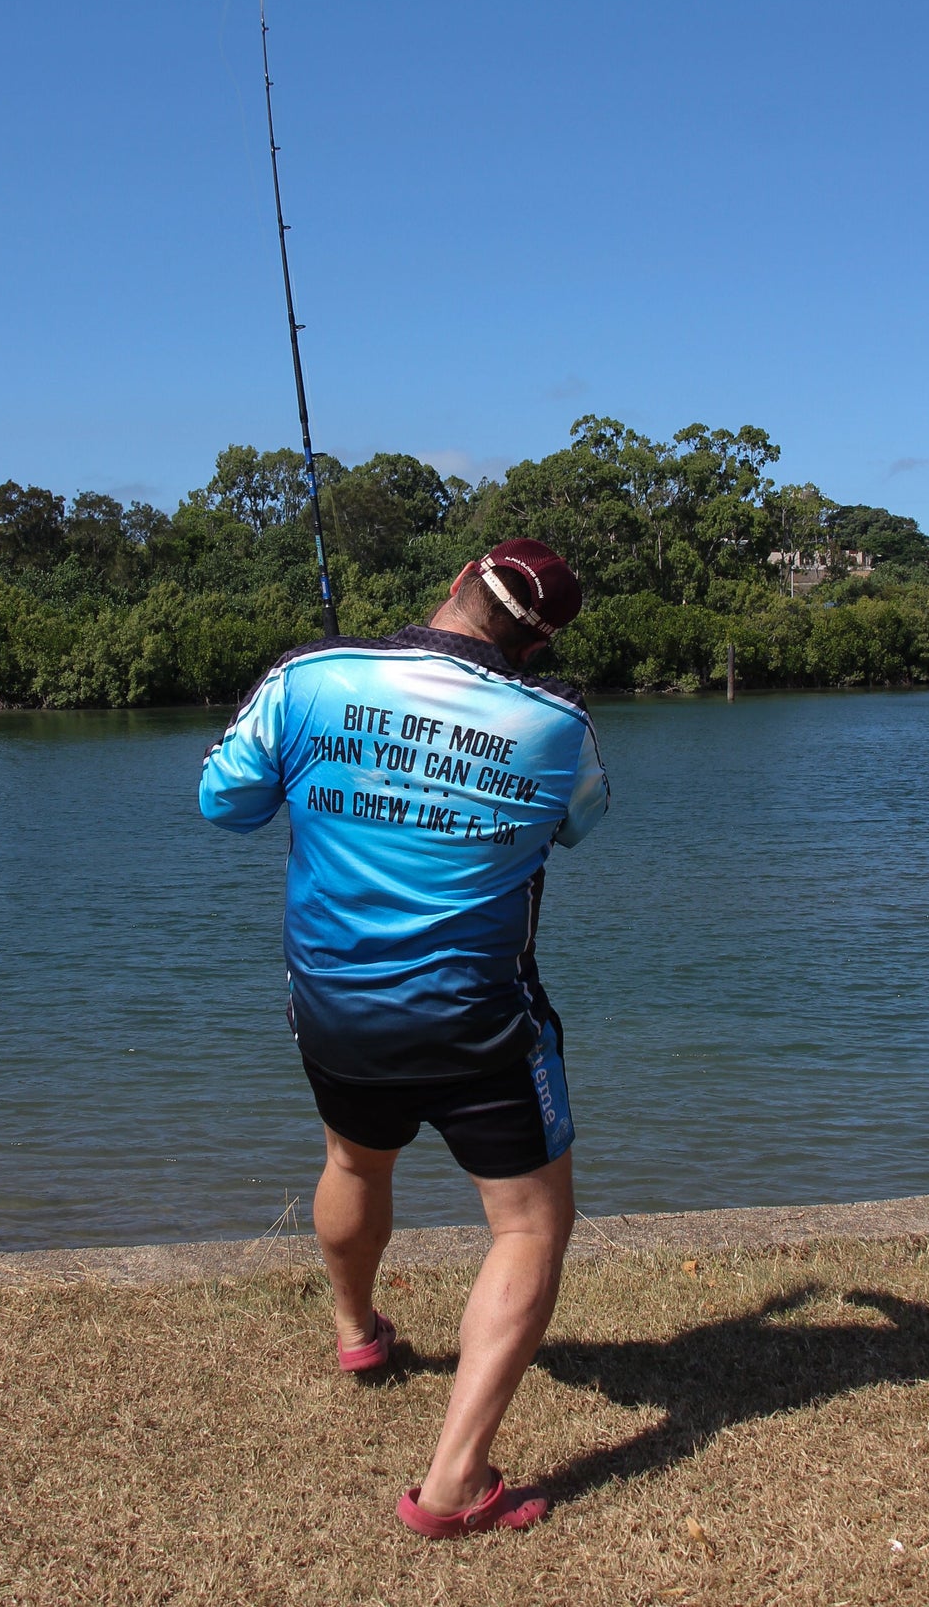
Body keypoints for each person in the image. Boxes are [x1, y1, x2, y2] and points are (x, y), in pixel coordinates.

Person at [198, 538, 609, 1537]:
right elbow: (579, 826)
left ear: (459, 578)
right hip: (479, 1018)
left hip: (334, 1004)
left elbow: (224, 802)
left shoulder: (309, 677)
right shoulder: (555, 725)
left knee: (353, 1157)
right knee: (526, 1226)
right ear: (539, 638)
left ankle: (356, 1331)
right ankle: (454, 1484)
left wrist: (331, 756)